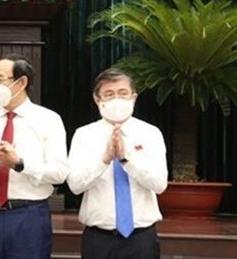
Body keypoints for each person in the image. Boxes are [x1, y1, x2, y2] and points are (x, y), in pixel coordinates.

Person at [0, 54, 68, 258]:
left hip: (29, 215)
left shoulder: (48, 119)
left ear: (21, 82)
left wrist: (19, 164)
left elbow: (60, 173)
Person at [67, 68, 168, 259]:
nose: (116, 99)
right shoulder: (84, 135)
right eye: (109, 94)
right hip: (99, 239)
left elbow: (159, 184)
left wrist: (126, 159)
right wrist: (104, 159)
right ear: (98, 100)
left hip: (141, 238)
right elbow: (75, 186)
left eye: (123, 93)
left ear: (134, 98)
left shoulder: (150, 133)